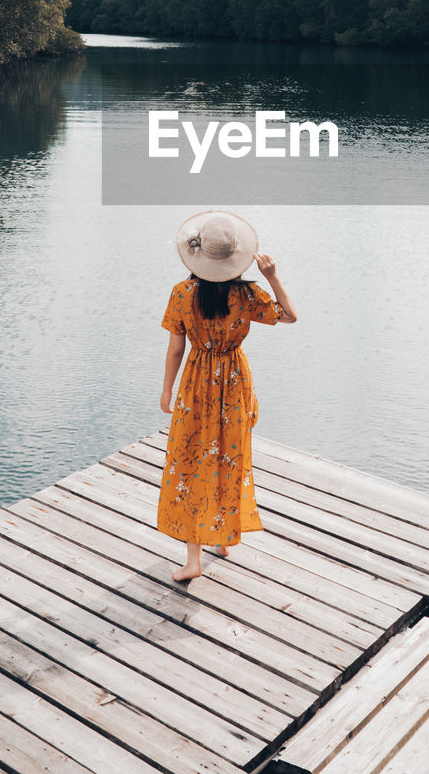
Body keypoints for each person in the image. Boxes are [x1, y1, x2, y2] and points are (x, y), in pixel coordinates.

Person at [157, 209, 297, 581]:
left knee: (191, 460)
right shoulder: (247, 293)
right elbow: (289, 316)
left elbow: (175, 349)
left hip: (196, 381)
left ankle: (193, 560)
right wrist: (272, 276)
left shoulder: (182, 293)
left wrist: (167, 388)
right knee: (229, 456)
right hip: (235, 381)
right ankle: (223, 537)